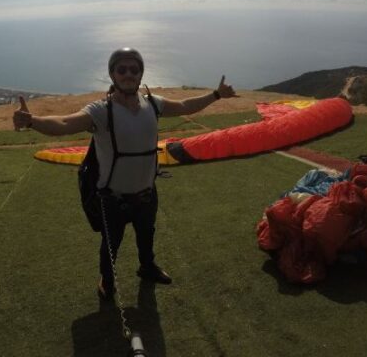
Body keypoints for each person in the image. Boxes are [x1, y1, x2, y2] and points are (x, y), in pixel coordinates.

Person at [12, 47, 237, 299]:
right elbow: (65, 123)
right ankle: (107, 282)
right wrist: (32, 121)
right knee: (110, 245)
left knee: (146, 235)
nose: (128, 74)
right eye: (122, 69)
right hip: (113, 198)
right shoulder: (101, 110)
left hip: (146, 193)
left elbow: (185, 105)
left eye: (134, 69)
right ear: (112, 74)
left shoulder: (153, 103)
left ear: (141, 73)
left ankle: (147, 267)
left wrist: (216, 95)